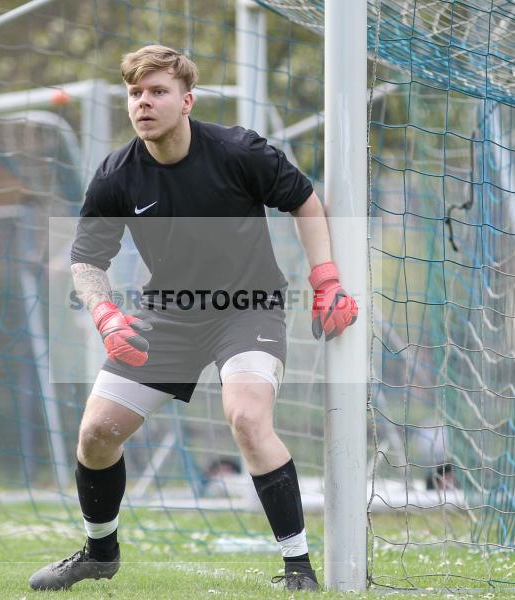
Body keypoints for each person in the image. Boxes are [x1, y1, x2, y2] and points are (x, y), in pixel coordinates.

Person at [29, 45, 358, 593]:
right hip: (170, 315)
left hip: (248, 307)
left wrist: (325, 278)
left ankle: (298, 569)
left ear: (186, 101)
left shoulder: (237, 150)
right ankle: (99, 552)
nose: (144, 103)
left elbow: (304, 200)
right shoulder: (116, 174)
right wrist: (105, 312)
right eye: (135, 93)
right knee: (96, 432)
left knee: (247, 418)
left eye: (157, 92)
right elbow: (86, 259)